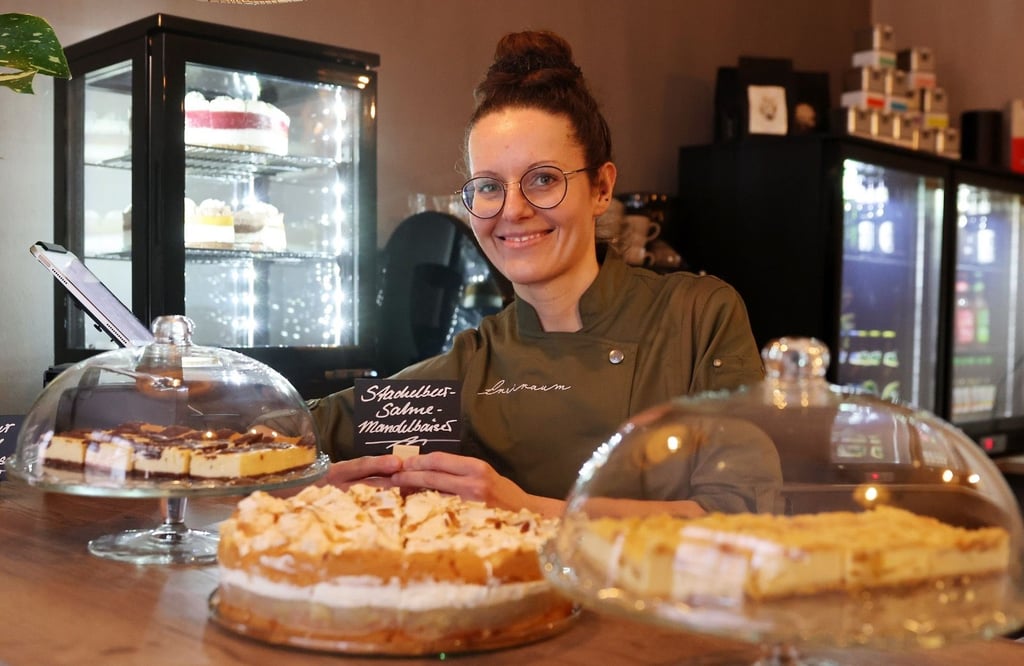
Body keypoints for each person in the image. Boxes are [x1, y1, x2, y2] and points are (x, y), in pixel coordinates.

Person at [309, 30, 775, 518]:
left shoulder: (698, 317)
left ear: (601, 188)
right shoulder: (467, 370)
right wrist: (319, 479)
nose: (513, 210)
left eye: (544, 179)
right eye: (489, 186)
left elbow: (741, 515)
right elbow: (300, 433)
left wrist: (523, 507)